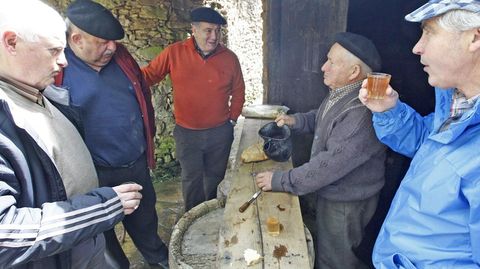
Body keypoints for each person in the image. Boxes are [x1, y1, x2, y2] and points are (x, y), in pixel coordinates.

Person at [0, 1, 144, 268]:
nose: (63, 60)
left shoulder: (34, 89)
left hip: (81, 243)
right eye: (54, 50)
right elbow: (5, 235)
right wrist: (103, 208)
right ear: (11, 43)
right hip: (57, 253)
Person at [358, 1, 480, 268]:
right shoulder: (456, 105)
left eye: (429, 31)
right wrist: (389, 111)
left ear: (474, 38)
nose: (417, 47)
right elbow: (431, 144)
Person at [255, 32, 387, 269]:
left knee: (337, 260)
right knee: (328, 248)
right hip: (335, 194)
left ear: (354, 72)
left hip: (347, 203)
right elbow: (322, 118)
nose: (323, 67)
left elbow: (329, 164)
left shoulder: (361, 112)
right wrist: (297, 121)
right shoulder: (344, 94)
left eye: (331, 62)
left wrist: (282, 180)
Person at [53, 1, 169, 268]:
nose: (113, 47)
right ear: (77, 39)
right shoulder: (57, 70)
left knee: (146, 223)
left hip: (134, 165)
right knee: (102, 238)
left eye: (114, 41)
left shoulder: (123, 58)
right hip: (95, 175)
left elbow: (142, 93)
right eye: (103, 42)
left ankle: (159, 261)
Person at [141, 7, 245, 212]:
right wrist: (124, 78)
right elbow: (148, 76)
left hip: (219, 133)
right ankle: (192, 217)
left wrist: (232, 119)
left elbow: (239, 91)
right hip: (187, 133)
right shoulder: (174, 52)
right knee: (191, 179)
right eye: (208, 30)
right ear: (194, 30)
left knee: (215, 177)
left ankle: (211, 214)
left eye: (218, 31)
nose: (214, 36)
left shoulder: (230, 58)